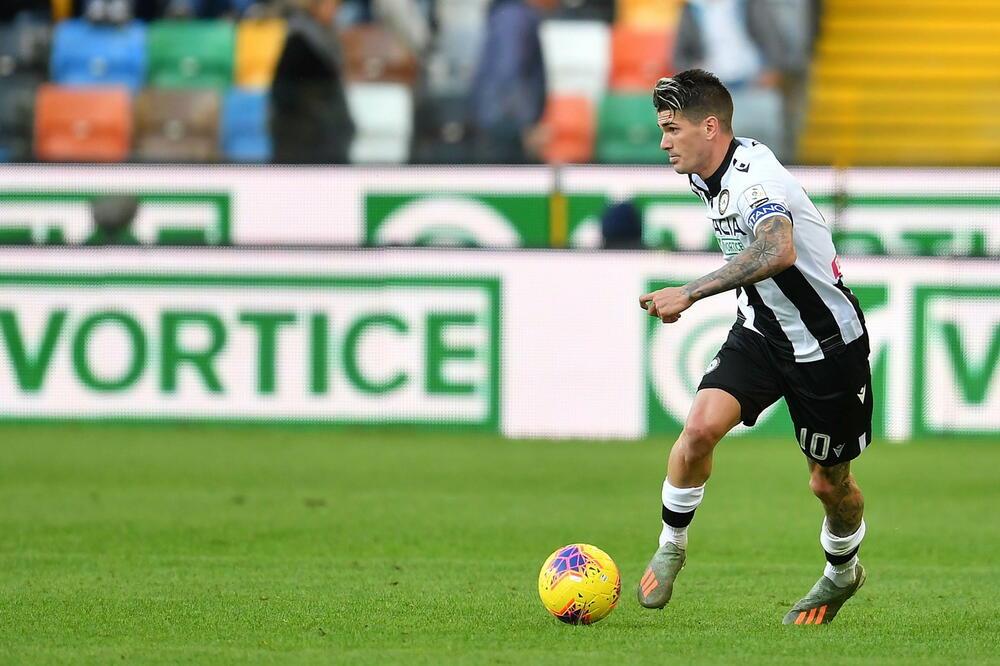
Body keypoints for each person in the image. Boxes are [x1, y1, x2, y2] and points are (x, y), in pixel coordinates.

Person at [637, 70, 872, 626]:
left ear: (710, 127)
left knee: (828, 483)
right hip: (762, 331)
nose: (664, 142)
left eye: (672, 129)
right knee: (697, 430)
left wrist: (690, 293)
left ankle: (842, 570)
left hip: (826, 345)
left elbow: (779, 248)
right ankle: (671, 546)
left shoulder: (752, 181)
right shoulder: (708, 172)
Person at [469, 0, 555, 163]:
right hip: (506, 123)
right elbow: (508, 71)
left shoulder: (508, 14)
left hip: (499, 118)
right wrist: (523, 125)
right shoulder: (515, 16)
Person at [270, 0, 355, 164]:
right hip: (305, 139)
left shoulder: (324, 36)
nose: (336, 10)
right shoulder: (300, 40)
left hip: (322, 134)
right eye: (331, 4)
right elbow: (284, 93)